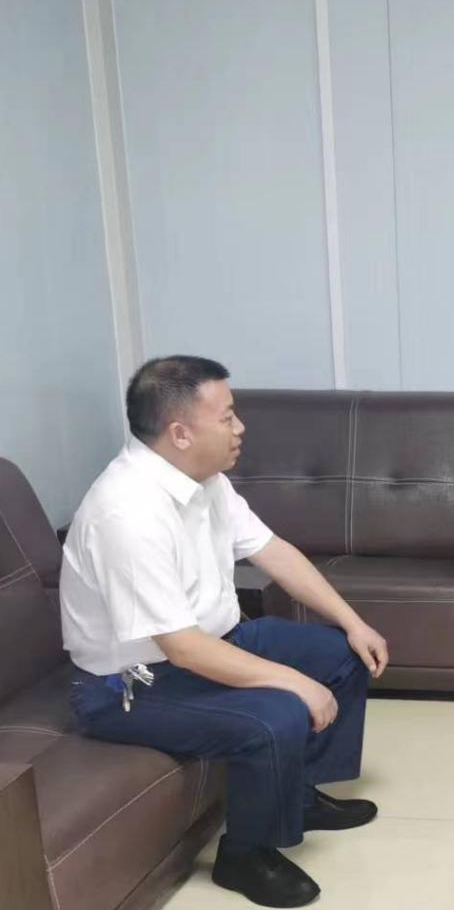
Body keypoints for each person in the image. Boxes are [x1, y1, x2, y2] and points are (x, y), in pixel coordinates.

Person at [61, 356, 390, 908]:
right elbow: (183, 649)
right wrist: (296, 684)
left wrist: (354, 622)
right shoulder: (127, 513)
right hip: (130, 684)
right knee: (280, 711)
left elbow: (273, 551)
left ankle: (299, 795)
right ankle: (244, 856)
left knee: (343, 654)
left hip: (213, 643)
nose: (240, 428)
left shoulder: (203, 480)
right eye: (228, 417)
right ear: (180, 433)